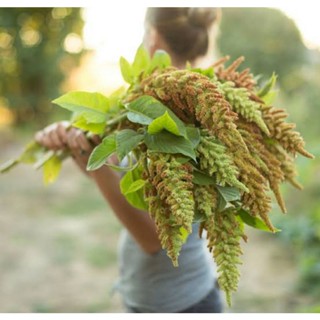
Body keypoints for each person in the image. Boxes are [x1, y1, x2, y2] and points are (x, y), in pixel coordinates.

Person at [35, 7, 223, 313]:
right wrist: (82, 150)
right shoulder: (153, 104)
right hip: (155, 296)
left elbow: (154, 238)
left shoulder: (191, 117)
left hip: (180, 304)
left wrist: (95, 169)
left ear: (154, 38)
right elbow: (119, 176)